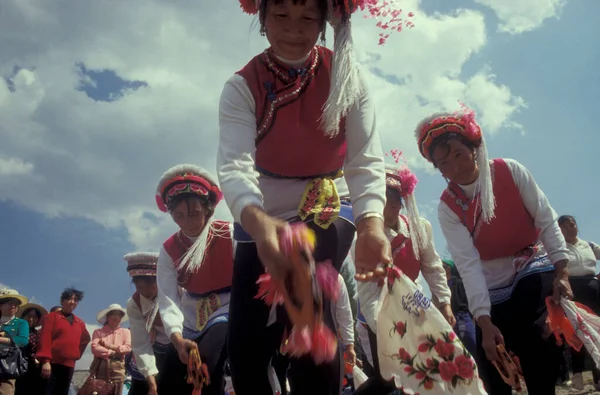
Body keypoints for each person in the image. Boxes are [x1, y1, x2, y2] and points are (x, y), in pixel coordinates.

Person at [217, 0, 391, 393]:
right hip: (260, 211)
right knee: (245, 349)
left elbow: (364, 160)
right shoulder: (241, 87)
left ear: (324, 22)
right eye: (280, 16)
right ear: (262, 20)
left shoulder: (348, 79)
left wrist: (371, 225)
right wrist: (261, 227)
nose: (294, 29)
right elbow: (234, 166)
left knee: (307, 291)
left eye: (307, 18)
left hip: (327, 197)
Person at [415, 107, 573, 394]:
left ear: (474, 148)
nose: (455, 166)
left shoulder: (509, 171)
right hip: (489, 280)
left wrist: (562, 271)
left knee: (535, 339)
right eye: (444, 164)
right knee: (492, 362)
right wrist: (485, 323)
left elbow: (546, 219)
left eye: (458, 154)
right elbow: (468, 265)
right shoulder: (448, 207)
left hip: (529, 264)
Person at [354, 162, 453, 395]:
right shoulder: (365, 239)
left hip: (413, 305)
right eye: (387, 197)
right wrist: (388, 332)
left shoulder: (419, 229)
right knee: (389, 377)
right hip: (378, 311)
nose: (395, 204)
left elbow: (432, 267)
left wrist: (444, 301)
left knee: (425, 368)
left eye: (397, 197)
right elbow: (368, 292)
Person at [155, 164, 233, 395]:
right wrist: (177, 339)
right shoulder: (169, 250)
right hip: (191, 314)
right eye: (178, 215)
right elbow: (168, 298)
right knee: (171, 369)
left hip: (230, 305)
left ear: (208, 209)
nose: (187, 222)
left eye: (194, 213)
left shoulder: (228, 233)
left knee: (212, 357)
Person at [559, 214, 600, 390]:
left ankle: (598, 377)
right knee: (575, 332)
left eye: (572, 224)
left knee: (596, 331)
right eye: (565, 226)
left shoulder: (589, 245)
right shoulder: (558, 248)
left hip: (593, 289)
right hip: (571, 292)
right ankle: (577, 377)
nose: (570, 228)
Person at [124, 252, 169, 395]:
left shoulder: (177, 292)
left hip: (180, 347)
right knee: (141, 388)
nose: (143, 291)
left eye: (153, 284)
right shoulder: (134, 304)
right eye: (138, 286)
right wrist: (151, 382)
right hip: (152, 348)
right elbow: (140, 344)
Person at [38, 287, 90, 395]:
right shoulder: (51, 317)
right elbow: (45, 338)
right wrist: (46, 361)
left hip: (69, 365)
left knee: (63, 392)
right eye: (70, 299)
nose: (73, 302)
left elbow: (86, 339)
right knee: (47, 391)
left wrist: (76, 354)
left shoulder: (79, 322)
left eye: (76, 300)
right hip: (52, 363)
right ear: (62, 301)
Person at [91, 304, 132, 395]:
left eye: (119, 314)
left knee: (117, 391)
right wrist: (112, 353)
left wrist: (109, 346)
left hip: (118, 367)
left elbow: (128, 348)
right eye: (113, 314)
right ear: (108, 316)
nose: (116, 317)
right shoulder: (98, 332)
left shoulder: (126, 332)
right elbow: (95, 348)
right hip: (100, 367)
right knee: (100, 391)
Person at [441, 259, 476, 358]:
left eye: (441, 266)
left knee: (470, 347)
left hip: (462, 318)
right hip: (448, 322)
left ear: (448, 269)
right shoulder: (440, 288)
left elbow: (468, 301)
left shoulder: (459, 283)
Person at [0, 289, 29, 395]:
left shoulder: (21, 323)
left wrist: (3, 339)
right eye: (10, 303)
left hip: (6, 365)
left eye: (16, 304)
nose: (13, 306)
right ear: (1, 305)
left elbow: (23, 340)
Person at [15, 303, 49, 395]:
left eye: (34, 317)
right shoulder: (15, 332)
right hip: (16, 368)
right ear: (23, 317)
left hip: (34, 370)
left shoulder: (39, 334)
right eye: (28, 316)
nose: (31, 319)